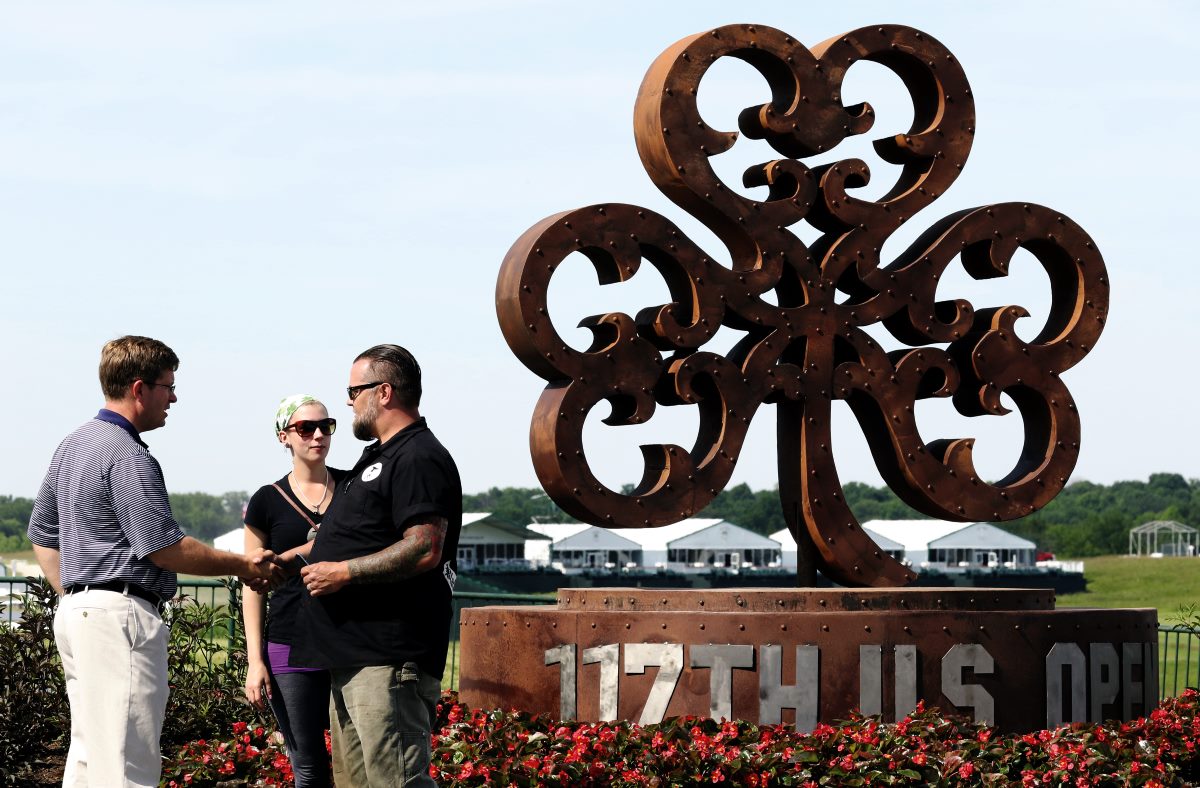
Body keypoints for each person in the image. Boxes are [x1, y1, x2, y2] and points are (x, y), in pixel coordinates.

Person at [27, 335, 284, 788]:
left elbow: (42, 536)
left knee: (90, 760)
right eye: (168, 386)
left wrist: (73, 596)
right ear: (140, 388)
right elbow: (164, 548)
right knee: (127, 764)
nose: (174, 397)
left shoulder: (72, 445)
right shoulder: (126, 453)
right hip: (117, 616)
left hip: (78, 616)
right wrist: (244, 565)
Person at [293, 344, 462, 787]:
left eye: (354, 390)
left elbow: (424, 546)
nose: (348, 401)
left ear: (383, 392)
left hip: (387, 660)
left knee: (395, 781)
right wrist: (286, 559)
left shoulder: (418, 456)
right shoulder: (379, 457)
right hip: (354, 657)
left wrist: (343, 572)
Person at [242, 395, 346, 788]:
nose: (318, 435)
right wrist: (256, 661)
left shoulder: (353, 487)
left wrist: (292, 555)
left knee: (356, 757)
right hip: (289, 643)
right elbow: (253, 584)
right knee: (308, 766)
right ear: (284, 436)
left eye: (326, 426)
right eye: (306, 428)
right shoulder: (266, 501)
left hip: (348, 639)